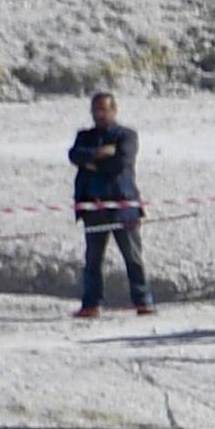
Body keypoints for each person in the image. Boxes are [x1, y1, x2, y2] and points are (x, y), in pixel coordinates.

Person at [69, 92, 150, 318]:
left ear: (114, 111)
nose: (99, 115)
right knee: (92, 260)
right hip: (93, 208)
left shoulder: (126, 135)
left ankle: (143, 301)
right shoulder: (84, 136)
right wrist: (99, 153)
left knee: (132, 257)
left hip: (122, 207)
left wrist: (92, 163)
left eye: (104, 110)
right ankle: (91, 304)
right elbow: (74, 155)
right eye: (96, 110)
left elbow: (121, 161)